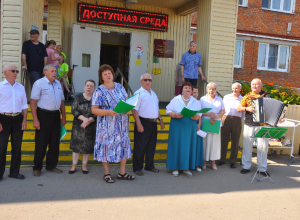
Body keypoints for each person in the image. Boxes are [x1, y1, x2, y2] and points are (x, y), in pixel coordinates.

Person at [91, 64, 134, 183]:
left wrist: (127, 110)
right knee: (105, 147)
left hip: (121, 125)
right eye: (105, 74)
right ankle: (107, 173)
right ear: (101, 77)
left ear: (112, 74)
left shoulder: (120, 87)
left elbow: (127, 102)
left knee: (123, 146)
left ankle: (122, 172)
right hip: (106, 126)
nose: (108, 75)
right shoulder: (99, 91)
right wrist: (108, 112)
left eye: (109, 73)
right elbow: (94, 109)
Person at [237, 78, 282, 177]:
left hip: (263, 126)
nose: (254, 86)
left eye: (256, 84)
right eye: (253, 84)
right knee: (247, 146)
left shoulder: (267, 96)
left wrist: (280, 118)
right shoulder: (247, 96)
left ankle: (262, 168)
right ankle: (246, 166)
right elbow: (239, 108)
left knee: (263, 147)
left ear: (261, 86)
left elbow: (273, 109)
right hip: (249, 124)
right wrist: (246, 108)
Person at [30, 64, 66, 177]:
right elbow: (33, 101)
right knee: (41, 143)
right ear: (45, 72)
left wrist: (64, 116)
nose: (55, 73)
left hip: (56, 116)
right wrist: (35, 119)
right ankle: (37, 167)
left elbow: (62, 101)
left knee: (55, 143)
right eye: (52, 71)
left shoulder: (58, 83)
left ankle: (51, 166)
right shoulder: (39, 83)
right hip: (43, 115)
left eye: (55, 71)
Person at [166, 82, 201, 177]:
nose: (188, 89)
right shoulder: (175, 99)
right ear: (182, 90)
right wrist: (175, 115)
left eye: (189, 88)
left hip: (190, 126)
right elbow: (168, 110)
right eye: (186, 88)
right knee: (176, 145)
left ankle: (186, 168)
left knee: (188, 146)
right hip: (177, 124)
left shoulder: (195, 101)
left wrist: (197, 117)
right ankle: (175, 167)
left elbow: (199, 113)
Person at [132, 73, 165, 176]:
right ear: (141, 81)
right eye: (145, 80)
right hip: (143, 122)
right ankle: (137, 167)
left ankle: (149, 166)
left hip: (153, 123)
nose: (147, 82)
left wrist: (160, 119)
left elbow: (156, 108)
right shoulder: (138, 93)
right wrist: (139, 124)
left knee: (151, 146)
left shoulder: (153, 94)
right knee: (140, 147)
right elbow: (134, 110)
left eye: (149, 80)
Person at [0, 64, 28, 181]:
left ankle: (14, 172)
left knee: (17, 147)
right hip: (3, 119)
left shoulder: (20, 87)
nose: (16, 73)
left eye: (16, 71)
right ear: (5, 72)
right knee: (1, 148)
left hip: (17, 119)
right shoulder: (0, 86)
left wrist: (24, 120)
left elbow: (24, 105)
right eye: (13, 71)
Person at [69, 80, 96, 174]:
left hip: (91, 126)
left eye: (91, 86)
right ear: (84, 87)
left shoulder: (96, 98)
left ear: (94, 89)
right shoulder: (78, 97)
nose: (89, 87)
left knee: (87, 147)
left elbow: (97, 112)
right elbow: (73, 110)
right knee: (76, 147)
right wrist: (84, 119)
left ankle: (84, 167)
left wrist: (89, 120)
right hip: (78, 126)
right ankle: (73, 166)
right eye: (87, 85)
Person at [218, 83, 243, 169]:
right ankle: (222, 159)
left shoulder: (243, 99)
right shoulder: (226, 97)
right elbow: (223, 108)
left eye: (236, 88)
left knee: (235, 141)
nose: (234, 90)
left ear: (240, 89)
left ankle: (233, 161)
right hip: (226, 118)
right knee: (224, 139)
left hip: (237, 120)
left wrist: (238, 119)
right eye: (233, 88)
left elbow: (243, 113)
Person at [200, 82, 225, 170]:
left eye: (213, 89)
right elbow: (199, 112)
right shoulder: (202, 99)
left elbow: (223, 111)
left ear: (216, 90)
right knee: (205, 143)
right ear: (207, 89)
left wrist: (215, 118)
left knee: (214, 143)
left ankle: (213, 163)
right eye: (209, 89)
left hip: (215, 123)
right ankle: (203, 162)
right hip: (205, 123)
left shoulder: (219, 99)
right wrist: (208, 114)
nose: (211, 90)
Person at [192, 86, 204, 172]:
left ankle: (197, 165)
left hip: (197, 124)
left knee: (197, 145)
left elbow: (200, 114)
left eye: (197, 92)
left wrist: (199, 124)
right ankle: (190, 164)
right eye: (194, 93)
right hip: (189, 124)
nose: (195, 94)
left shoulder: (198, 102)